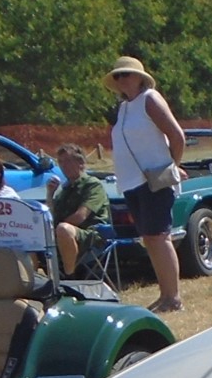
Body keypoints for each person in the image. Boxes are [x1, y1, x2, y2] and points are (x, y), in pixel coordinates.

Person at [106, 56, 186, 313]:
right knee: (149, 239)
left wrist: (172, 165)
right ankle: (165, 295)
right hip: (132, 182)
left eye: (126, 74)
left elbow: (176, 135)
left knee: (160, 236)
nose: (122, 80)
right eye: (118, 76)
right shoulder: (124, 108)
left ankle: (173, 298)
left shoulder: (150, 99)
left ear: (140, 77)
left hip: (154, 179)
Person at [45, 142, 110, 278]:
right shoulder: (65, 189)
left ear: (80, 162)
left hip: (91, 235)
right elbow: (51, 216)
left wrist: (55, 231)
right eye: (61, 162)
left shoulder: (92, 185)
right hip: (65, 234)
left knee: (63, 229)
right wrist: (50, 194)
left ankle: (70, 277)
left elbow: (80, 217)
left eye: (68, 161)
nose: (64, 165)